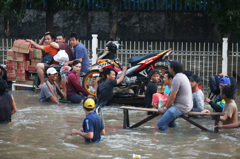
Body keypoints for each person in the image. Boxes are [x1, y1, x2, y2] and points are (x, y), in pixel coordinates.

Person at [157, 60, 193, 131]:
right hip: (187, 105)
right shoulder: (183, 76)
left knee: (161, 124)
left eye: (169, 67)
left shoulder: (177, 78)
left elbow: (172, 97)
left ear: (173, 69)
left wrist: (165, 109)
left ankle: (166, 141)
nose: (168, 69)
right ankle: (175, 136)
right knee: (170, 123)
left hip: (180, 107)